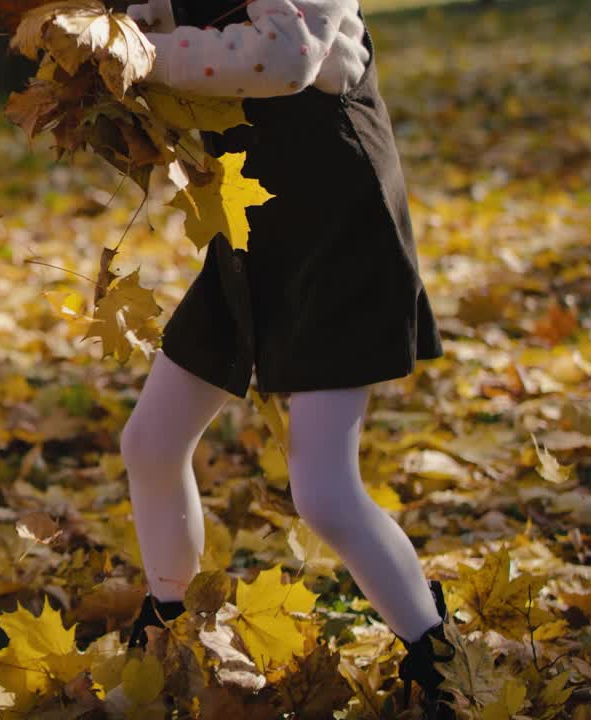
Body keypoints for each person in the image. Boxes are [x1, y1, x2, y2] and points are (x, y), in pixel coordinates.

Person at [119, 0, 454, 716]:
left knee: (325, 493)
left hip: (337, 230)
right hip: (251, 233)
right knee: (150, 444)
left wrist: (145, 54)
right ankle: (171, 634)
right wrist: (112, 36)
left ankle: (443, 661)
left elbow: (286, 57)